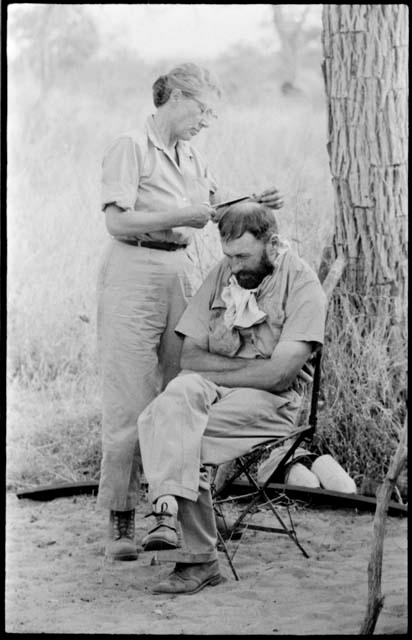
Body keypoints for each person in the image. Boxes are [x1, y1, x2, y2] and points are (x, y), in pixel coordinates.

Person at [97, 62, 284, 561]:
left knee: (180, 387)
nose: (206, 120)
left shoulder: (192, 155)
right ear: (177, 96)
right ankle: (120, 517)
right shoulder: (131, 145)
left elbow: (218, 209)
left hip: (179, 272)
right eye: (203, 109)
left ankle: (173, 512)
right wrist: (181, 215)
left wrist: (254, 200)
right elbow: (117, 220)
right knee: (130, 396)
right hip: (134, 270)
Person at [137, 201, 327, 594]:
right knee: (173, 398)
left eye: (243, 255)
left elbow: (279, 376)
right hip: (215, 391)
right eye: (228, 255)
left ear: (272, 244)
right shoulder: (225, 273)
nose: (234, 266)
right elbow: (186, 357)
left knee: (177, 433)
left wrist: (229, 369)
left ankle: (197, 558)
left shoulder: (304, 286)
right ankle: (169, 516)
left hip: (271, 404)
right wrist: (251, 369)